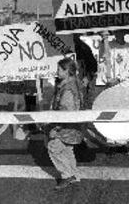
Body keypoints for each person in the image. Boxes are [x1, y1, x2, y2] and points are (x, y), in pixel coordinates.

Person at [47, 57, 83, 190]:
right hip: (75, 127)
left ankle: (67, 175)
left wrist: (56, 129)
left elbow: (65, 113)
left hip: (66, 127)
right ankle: (73, 174)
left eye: (59, 69)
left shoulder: (67, 89)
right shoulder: (75, 83)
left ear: (66, 71)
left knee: (53, 147)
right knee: (67, 149)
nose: (56, 72)